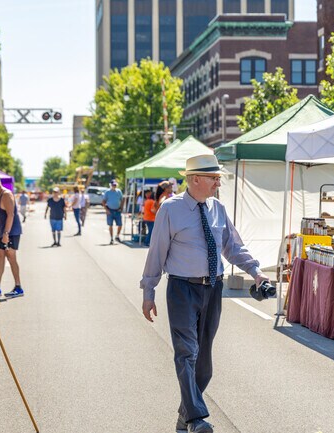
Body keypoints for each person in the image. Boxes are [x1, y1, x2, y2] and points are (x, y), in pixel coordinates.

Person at [140, 154, 269, 433]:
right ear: (195, 178)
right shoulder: (170, 209)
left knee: (205, 363)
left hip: (213, 288)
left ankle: (184, 417)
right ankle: (196, 418)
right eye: (213, 177)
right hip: (182, 288)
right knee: (186, 352)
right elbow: (157, 253)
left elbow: (233, 247)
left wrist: (256, 272)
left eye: (218, 177)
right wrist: (148, 291)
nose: (218, 182)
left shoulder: (218, 208)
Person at [0, 176, 24, 298]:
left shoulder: (6, 195)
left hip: (11, 232)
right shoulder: (1, 195)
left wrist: (6, 234)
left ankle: (18, 287)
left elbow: (11, 215)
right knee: (0, 255)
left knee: (11, 257)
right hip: (5, 232)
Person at [102, 180, 124, 245]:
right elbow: (103, 201)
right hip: (110, 210)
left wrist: (121, 208)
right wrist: (107, 210)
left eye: (115, 185)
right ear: (110, 185)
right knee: (110, 225)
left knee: (120, 224)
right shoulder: (107, 192)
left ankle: (117, 236)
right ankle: (111, 238)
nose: (114, 186)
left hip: (117, 210)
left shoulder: (119, 191)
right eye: (113, 185)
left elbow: (122, 200)